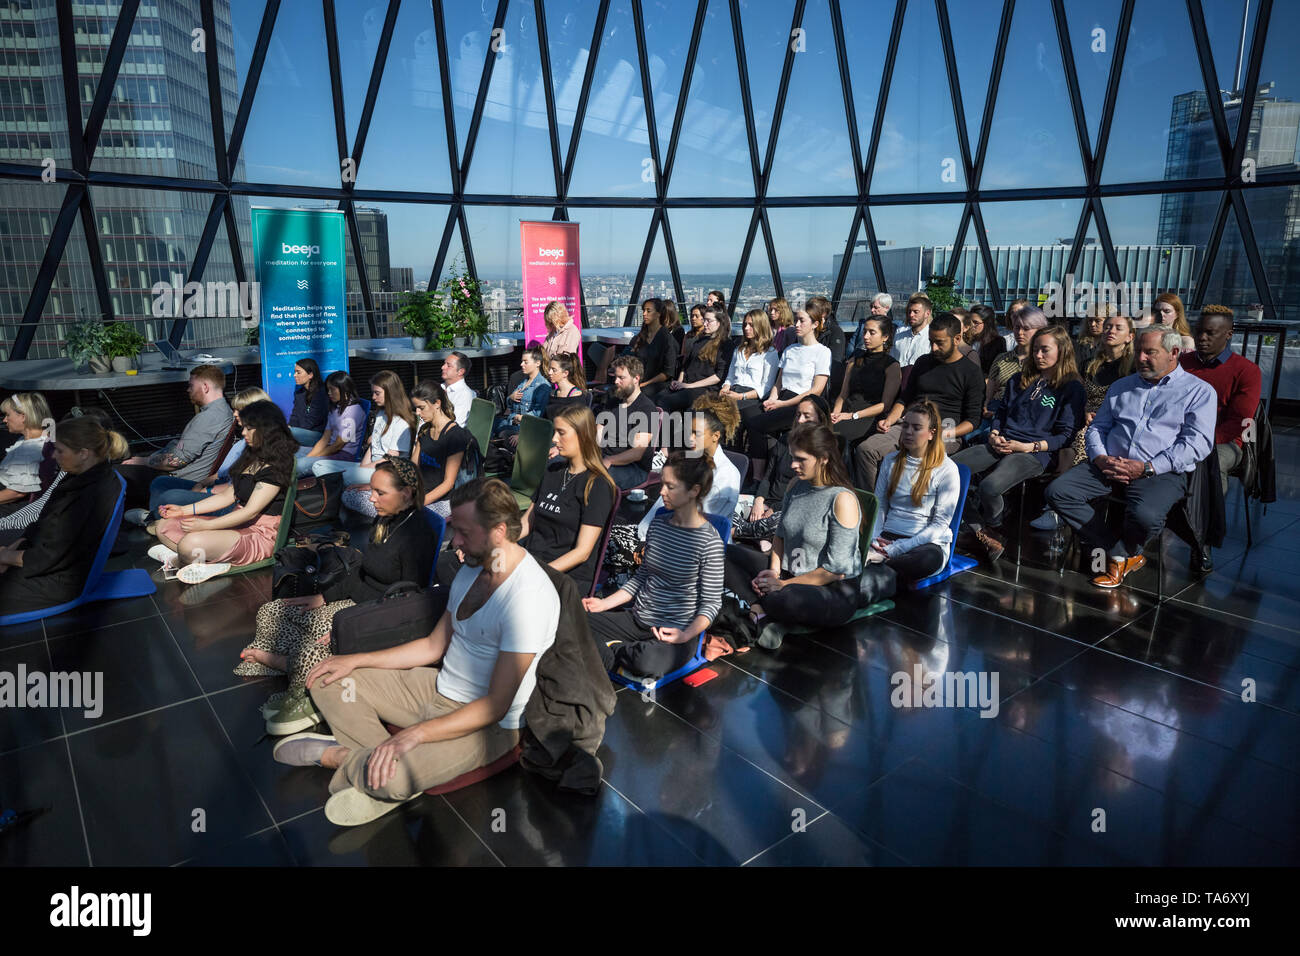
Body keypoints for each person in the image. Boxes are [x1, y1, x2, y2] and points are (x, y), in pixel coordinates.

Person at [274, 478, 560, 828]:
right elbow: (432, 646)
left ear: (499, 531)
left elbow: (496, 705)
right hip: (436, 688)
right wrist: (354, 660)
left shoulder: (528, 598)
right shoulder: (472, 570)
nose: (454, 541)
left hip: (486, 724)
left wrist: (415, 734)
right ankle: (377, 767)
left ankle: (339, 757)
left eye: (464, 533)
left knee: (394, 776)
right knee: (329, 679)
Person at [237, 458, 437, 735]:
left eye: (380, 492)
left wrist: (348, 623)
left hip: (375, 614)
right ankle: (288, 666)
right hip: (358, 602)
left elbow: (404, 602)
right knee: (271, 611)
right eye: (373, 490)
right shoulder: (385, 519)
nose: (372, 498)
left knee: (314, 650)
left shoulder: (418, 535)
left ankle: (306, 694)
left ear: (406, 493)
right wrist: (326, 597)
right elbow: (361, 573)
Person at [1045, 328, 1216, 589]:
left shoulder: (1198, 392)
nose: (1141, 358)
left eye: (1150, 352)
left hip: (1159, 471)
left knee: (1146, 516)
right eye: (1138, 351)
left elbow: (1197, 444)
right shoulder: (1122, 386)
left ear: (1173, 353)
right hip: (1109, 464)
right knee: (1058, 491)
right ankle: (1119, 553)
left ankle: (1121, 554)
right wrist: (1100, 457)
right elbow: (1097, 428)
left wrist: (1147, 467)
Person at [440, 404, 618, 597]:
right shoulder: (553, 471)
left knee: (485, 590)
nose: (554, 439)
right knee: (451, 565)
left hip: (562, 576)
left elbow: (582, 552)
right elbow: (526, 522)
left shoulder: (597, 485)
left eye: (561, 433)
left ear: (582, 435)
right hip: (530, 559)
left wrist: (533, 574)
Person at [584, 451, 723, 680]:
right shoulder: (659, 524)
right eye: (662, 484)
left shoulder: (709, 542)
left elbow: (711, 603)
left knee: (648, 661)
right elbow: (642, 576)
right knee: (572, 619)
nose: (661, 491)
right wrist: (604, 604)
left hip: (675, 633)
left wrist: (685, 634)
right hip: (638, 620)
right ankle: (616, 655)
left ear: (694, 491)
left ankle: (610, 653)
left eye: (670, 486)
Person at [724, 423, 862, 650]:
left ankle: (759, 607)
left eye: (801, 459)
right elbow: (780, 534)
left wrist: (782, 585)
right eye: (792, 458)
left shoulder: (842, 499)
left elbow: (834, 571)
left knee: (783, 599)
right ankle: (759, 610)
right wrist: (774, 572)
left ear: (824, 458)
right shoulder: (796, 485)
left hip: (832, 589)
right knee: (723, 554)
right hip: (790, 572)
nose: (793, 465)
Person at [952, 326, 1086, 561]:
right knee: (948, 473)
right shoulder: (1019, 379)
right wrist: (994, 433)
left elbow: (1066, 435)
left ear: (1062, 351)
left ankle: (994, 525)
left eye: (1045, 350)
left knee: (989, 487)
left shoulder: (1071, 387)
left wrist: (1028, 447)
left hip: (1033, 452)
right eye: (1035, 350)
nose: (1038, 355)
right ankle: (982, 531)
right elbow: (1001, 413)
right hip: (1001, 442)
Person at [152, 400, 297, 584]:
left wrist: (205, 526)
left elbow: (250, 511)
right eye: (244, 427)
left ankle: (185, 556)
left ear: (267, 429)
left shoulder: (277, 465)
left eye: (249, 428)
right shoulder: (252, 456)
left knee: (190, 543)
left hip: (260, 534)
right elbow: (226, 496)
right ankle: (193, 559)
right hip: (237, 524)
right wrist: (183, 511)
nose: (243, 433)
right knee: (163, 525)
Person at [0, 416, 128, 615]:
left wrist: (7, 556)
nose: (53, 456)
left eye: (60, 451)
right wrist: (12, 549)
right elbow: (41, 525)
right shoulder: (78, 477)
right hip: (47, 564)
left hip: (57, 583)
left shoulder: (88, 495)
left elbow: (48, 557)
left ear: (84, 454)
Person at [854, 312, 984, 491]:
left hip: (945, 428)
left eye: (940, 343)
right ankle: (872, 505)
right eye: (931, 341)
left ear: (957, 339)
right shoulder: (923, 363)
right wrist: (890, 420)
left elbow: (973, 420)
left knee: (913, 456)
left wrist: (945, 433)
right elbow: (904, 398)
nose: (934, 348)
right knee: (866, 450)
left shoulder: (971, 372)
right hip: (909, 423)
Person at [1179, 304, 1262, 569]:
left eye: (1210, 333)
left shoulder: (1246, 370)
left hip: (1225, 442)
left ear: (1229, 334)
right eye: (1199, 332)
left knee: (1210, 463)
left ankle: (1201, 540)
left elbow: (1239, 422)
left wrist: (1197, 443)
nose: (1202, 338)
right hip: (1178, 436)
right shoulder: (1182, 363)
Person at [866, 401, 963, 587]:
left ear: (931, 433)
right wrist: (874, 539)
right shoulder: (890, 461)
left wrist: (897, 549)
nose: (908, 432)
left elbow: (940, 524)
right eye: (905, 425)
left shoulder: (946, 469)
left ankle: (877, 566)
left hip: (923, 544)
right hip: (888, 537)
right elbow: (880, 504)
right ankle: (879, 567)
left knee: (927, 560)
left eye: (917, 428)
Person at [119, 364, 232, 515]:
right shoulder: (222, 411)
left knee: (119, 472)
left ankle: (151, 519)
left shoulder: (209, 418)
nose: (188, 390)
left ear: (205, 387)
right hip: (184, 473)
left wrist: (144, 461)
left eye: (191, 385)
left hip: (182, 478)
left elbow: (177, 461)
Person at [145, 386, 271, 523]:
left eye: (239, 411)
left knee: (171, 497)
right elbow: (223, 473)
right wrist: (202, 482)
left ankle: (155, 522)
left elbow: (239, 488)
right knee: (161, 483)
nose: (234, 414)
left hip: (230, 502)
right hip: (218, 487)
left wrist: (207, 491)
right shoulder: (243, 441)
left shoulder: (258, 446)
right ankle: (154, 520)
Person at [636, 393, 741, 540]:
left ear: (715, 436)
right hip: (657, 535)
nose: (690, 439)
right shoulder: (688, 460)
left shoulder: (727, 475)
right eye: (689, 432)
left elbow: (701, 524)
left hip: (685, 548)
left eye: (696, 434)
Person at [744, 307, 831, 479]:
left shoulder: (822, 352)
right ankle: (764, 471)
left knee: (756, 424)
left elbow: (816, 390)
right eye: (796, 320)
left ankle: (759, 477)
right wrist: (772, 399)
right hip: (781, 397)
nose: (797, 324)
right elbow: (779, 381)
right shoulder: (790, 349)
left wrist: (781, 404)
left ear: (815, 324)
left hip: (801, 403)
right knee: (749, 414)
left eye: (802, 321)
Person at [734, 395, 830, 546]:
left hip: (788, 508)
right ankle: (757, 535)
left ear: (820, 419)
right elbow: (768, 476)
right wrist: (759, 501)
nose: (800, 420)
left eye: (807, 416)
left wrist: (773, 509)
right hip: (766, 502)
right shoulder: (786, 439)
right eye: (798, 415)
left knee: (781, 522)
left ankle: (739, 532)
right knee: (729, 501)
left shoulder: (822, 451)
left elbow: (806, 494)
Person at [329, 370, 418, 518]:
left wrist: (363, 470)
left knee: (344, 477)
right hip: (370, 466)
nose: (373, 397)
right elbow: (372, 447)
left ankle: (335, 512)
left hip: (387, 469)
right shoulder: (380, 414)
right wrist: (363, 467)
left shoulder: (402, 422)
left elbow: (392, 459)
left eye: (377, 393)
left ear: (390, 393)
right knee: (322, 467)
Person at [831, 314, 900, 456]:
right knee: (815, 432)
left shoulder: (891, 365)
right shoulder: (855, 360)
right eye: (864, 332)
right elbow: (843, 394)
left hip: (868, 417)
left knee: (832, 437)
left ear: (885, 337)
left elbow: (885, 405)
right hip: (847, 413)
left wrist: (853, 416)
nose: (866, 336)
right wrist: (836, 412)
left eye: (872, 332)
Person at [410, 380, 471, 518]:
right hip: (422, 493)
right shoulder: (424, 430)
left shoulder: (455, 435)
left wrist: (418, 502)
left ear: (437, 403)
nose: (418, 413)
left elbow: (448, 483)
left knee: (408, 514)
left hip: (445, 500)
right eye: (416, 408)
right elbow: (412, 468)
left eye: (421, 408)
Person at [983, 304, 1050, 426]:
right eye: (1017, 327)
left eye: (1026, 328)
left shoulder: (1043, 361)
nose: (1020, 332)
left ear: (1040, 330)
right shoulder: (1002, 359)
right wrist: (986, 406)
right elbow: (989, 393)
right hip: (996, 408)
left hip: (1025, 414)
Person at [658, 304, 732, 413]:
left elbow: (718, 377)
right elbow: (686, 366)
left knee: (665, 401)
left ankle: (663, 429)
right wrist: (678, 382)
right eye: (704, 320)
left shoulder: (725, 345)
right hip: (687, 385)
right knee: (656, 398)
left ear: (719, 323)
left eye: (709, 321)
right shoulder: (699, 341)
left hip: (704, 389)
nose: (705, 324)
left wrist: (689, 386)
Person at [598, 356, 657, 489]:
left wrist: (609, 460)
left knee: (594, 477)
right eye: (615, 377)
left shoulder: (646, 408)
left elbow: (637, 452)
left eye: (621, 378)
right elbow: (598, 433)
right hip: (605, 458)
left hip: (633, 468)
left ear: (636, 378)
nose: (616, 381)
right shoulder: (613, 401)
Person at [721, 308, 779, 443]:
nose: (746, 328)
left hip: (751, 396)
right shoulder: (739, 349)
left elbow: (766, 387)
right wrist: (725, 387)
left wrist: (742, 396)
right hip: (734, 391)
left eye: (751, 325)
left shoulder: (770, 353)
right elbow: (730, 375)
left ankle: (733, 452)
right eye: (745, 325)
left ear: (761, 326)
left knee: (730, 415)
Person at [295, 371, 367, 477]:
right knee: (294, 452)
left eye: (332, 390)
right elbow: (325, 438)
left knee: (300, 465)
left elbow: (338, 446)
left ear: (344, 389)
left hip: (344, 455)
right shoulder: (335, 407)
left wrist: (314, 458)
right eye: (328, 390)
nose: (329, 393)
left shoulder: (353, 412)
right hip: (329, 449)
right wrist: (310, 456)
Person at [0, 392, 53, 516]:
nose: (5, 420)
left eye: (8, 415)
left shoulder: (30, 450)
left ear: (23, 416)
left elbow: (17, 492)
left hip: (9, 506)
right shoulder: (32, 439)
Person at [493, 346, 550, 441]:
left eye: (526, 362)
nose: (521, 364)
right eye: (522, 361)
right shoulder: (524, 382)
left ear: (537, 363)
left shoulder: (542, 386)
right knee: (490, 422)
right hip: (514, 423)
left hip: (528, 429)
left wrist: (519, 418)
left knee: (503, 433)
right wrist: (511, 397)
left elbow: (537, 415)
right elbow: (510, 406)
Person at [288, 358, 329, 445]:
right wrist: (290, 426)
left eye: (298, 372)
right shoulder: (299, 393)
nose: (294, 375)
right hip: (302, 432)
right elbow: (295, 416)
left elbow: (312, 421)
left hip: (319, 435)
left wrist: (293, 431)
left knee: (286, 433)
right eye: (294, 372)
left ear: (310, 375)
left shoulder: (321, 393)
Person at [891, 293, 933, 369]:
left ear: (927, 313)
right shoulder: (900, 332)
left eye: (916, 312)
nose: (911, 315)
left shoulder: (931, 336)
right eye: (909, 311)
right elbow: (892, 358)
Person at [544, 351, 589, 421]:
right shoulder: (552, 394)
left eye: (554, 370)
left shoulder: (576, 396)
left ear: (565, 373)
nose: (550, 372)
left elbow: (579, 423)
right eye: (549, 369)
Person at [964, 303, 1006, 375]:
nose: (971, 325)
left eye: (975, 322)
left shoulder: (997, 342)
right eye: (970, 321)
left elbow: (997, 370)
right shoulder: (965, 339)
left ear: (987, 324)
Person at [851, 293, 893, 359]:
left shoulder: (892, 328)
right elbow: (852, 344)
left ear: (886, 308)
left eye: (876, 307)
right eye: (871, 307)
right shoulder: (863, 324)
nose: (872, 310)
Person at [441, 351, 477, 427]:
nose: (443, 367)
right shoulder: (439, 387)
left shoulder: (465, 395)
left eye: (448, 365)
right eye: (444, 363)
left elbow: (456, 426)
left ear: (460, 372)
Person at [808, 295, 845, 367]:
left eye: (812, 312)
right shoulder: (809, 330)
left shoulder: (835, 332)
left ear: (823, 314)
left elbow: (835, 360)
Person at [1073, 303, 1111, 369]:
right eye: (1090, 320)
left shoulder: (1111, 345)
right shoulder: (1079, 343)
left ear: (1108, 321)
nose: (1092, 324)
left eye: (1097, 320)